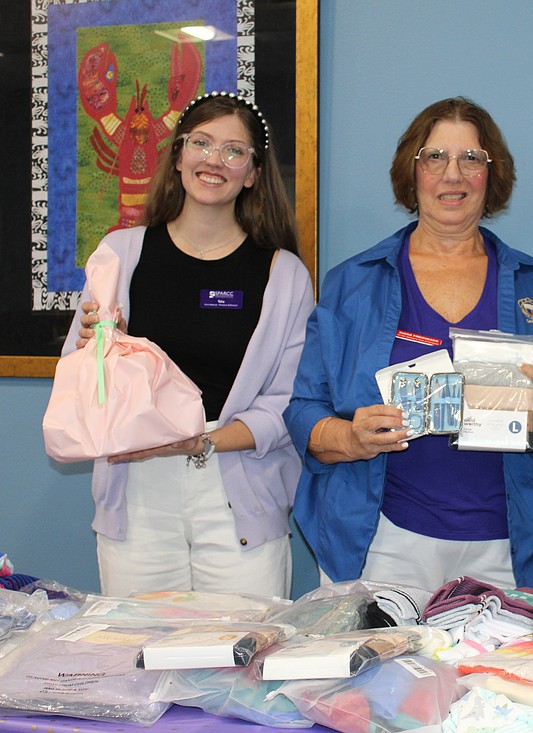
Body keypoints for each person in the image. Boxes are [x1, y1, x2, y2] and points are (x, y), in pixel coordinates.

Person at [284, 97, 533, 595]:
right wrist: (350, 438)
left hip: (510, 550)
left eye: (472, 159)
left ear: (492, 174)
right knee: (378, 674)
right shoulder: (354, 283)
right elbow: (302, 412)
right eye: (435, 157)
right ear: (411, 170)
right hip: (381, 544)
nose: (453, 175)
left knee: (504, 675)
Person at [61, 91, 314, 598]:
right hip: (137, 487)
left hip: (236, 485)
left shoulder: (283, 274)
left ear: (253, 173)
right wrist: (91, 353)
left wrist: (200, 443)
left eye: (234, 150)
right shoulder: (119, 254)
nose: (214, 160)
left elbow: (289, 402)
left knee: (241, 657)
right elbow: (79, 375)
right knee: (138, 651)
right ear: (177, 156)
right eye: (201, 143)